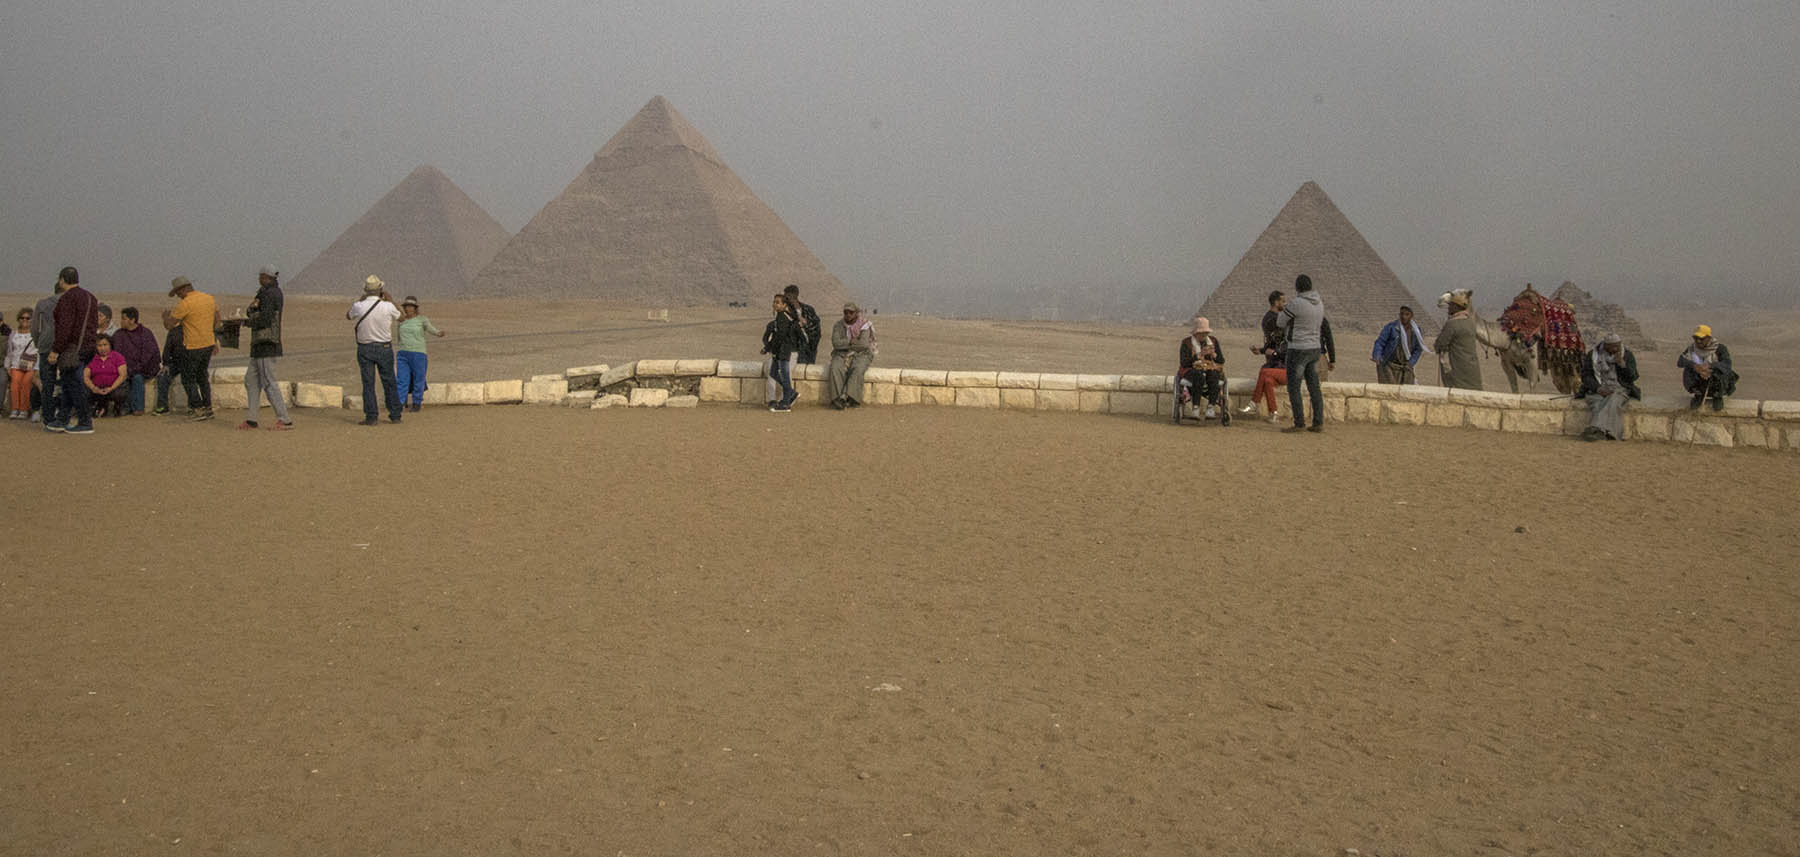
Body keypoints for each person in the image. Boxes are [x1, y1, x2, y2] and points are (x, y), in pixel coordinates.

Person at [47, 266, 101, 434]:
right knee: (69, 384)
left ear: (62, 280)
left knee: (74, 384)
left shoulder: (67, 299)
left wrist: (56, 350)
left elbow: (65, 327)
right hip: (88, 347)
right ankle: (62, 419)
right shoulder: (90, 297)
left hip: (73, 349)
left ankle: (85, 421)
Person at [240, 264, 292, 430]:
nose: (260, 279)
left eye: (262, 276)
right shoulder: (264, 293)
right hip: (258, 345)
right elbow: (252, 309)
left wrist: (247, 321)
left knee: (269, 382)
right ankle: (252, 419)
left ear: (267, 277)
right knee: (250, 381)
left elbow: (266, 318)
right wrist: (251, 313)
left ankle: (285, 419)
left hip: (267, 344)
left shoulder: (271, 294)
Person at [348, 275, 404, 425]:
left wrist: (360, 300)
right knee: (389, 381)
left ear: (366, 290)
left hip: (365, 349)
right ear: (381, 290)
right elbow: (402, 318)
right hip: (384, 348)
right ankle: (395, 414)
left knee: (368, 383)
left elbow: (348, 316)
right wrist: (391, 301)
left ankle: (371, 417)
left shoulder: (359, 306)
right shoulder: (388, 306)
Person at [162, 275, 219, 421]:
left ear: (182, 289)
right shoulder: (209, 298)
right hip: (208, 343)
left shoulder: (185, 304)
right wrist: (212, 336)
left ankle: (197, 409)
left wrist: (165, 317)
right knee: (202, 376)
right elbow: (217, 319)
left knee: (188, 378)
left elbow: (169, 325)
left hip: (193, 346)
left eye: (177, 293)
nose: (178, 296)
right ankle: (208, 408)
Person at [1279, 274, 1326, 433]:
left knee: (1294, 387)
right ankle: (1318, 422)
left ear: (1297, 287)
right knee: (1314, 387)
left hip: (1298, 349)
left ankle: (1299, 423)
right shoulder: (1320, 303)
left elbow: (1280, 322)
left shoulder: (1296, 303)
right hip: (1315, 348)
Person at [1576, 333, 1640, 441]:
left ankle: (1596, 429)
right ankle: (1608, 433)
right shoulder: (1593, 355)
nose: (1615, 349)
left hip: (1619, 389)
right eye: (1612, 346)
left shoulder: (1626, 355)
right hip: (1598, 389)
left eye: (1617, 346)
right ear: (1605, 345)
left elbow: (1633, 377)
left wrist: (1622, 364)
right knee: (1597, 403)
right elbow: (1586, 376)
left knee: (1613, 400)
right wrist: (1598, 389)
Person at [1241, 290, 1287, 422]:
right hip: (1279, 363)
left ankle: (1254, 403)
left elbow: (1276, 345)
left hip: (1285, 365)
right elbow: (1274, 343)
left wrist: (1264, 351)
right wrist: (1265, 351)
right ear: (1276, 302)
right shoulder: (1277, 320)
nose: (1285, 304)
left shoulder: (1270, 318)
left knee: (1264, 372)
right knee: (1267, 380)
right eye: (1283, 301)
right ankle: (1274, 414)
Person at [394, 296, 445, 412]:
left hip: (418, 353)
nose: (408, 309)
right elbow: (399, 336)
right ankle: (400, 403)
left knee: (419, 378)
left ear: (415, 308)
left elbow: (430, 329)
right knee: (402, 379)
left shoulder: (422, 320)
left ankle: (416, 403)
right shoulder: (401, 321)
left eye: (410, 306)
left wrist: (438, 333)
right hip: (403, 353)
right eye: (406, 306)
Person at [32, 272, 68, 427]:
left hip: (46, 344)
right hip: (66, 346)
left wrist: (38, 342)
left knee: (47, 383)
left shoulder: (42, 303)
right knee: (67, 381)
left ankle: (48, 418)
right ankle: (64, 415)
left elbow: (35, 327)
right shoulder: (70, 303)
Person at [111, 308, 160, 416]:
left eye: (124, 319)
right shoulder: (118, 334)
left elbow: (148, 355)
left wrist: (134, 369)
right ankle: (124, 408)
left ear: (132, 320)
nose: (121, 321)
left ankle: (138, 408)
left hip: (143, 369)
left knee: (137, 378)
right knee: (122, 379)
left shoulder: (145, 334)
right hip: (124, 369)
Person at [1178, 317, 1228, 423]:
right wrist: (1198, 356)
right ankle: (1195, 408)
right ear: (1195, 333)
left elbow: (1221, 360)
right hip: (1192, 370)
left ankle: (1211, 407)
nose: (1204, 336)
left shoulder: (1213, 341)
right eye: (1201, 333)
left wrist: (1214, 355)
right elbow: (1184, 363)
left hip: (1209, 369)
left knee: (1213, 374)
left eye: (1205, 333)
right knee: (1199, 375)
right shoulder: (1186, 343)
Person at [1677, 324, 1737, 412]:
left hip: (1715, 382)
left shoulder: (1720, 348)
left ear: (1709, 338)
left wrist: (1710, 366)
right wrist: (1695, 366)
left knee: (1722, 370)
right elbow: (1680, 361)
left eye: (1701, 338)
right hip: (1700, 381)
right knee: (1688, 368)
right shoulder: (1692, 349)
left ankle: (1718, 396)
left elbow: (1727, 364)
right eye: (1696, 338)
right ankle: (1699, 395)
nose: (1698, 341)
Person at [827, 302, 875, 409]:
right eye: (846, 312)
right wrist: (850, 341)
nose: (848, 315)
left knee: (857, 368)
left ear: (856, 313)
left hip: (862, 353)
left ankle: (851, 397)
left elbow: (863, 344)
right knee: (835, 367)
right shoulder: (838, 325)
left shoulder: (864, 325)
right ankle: (837, 398)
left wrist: (847, 344)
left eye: (851, 312)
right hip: (841, 353)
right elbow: (836, 343)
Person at [761, 293, 803, 412]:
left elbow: (780, 336)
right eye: (774, 302)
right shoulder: (781, 317)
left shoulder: (783, 318)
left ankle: (785, 403)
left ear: (785, 305)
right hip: (778, 351)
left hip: (784, 351)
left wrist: (769, 347)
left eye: (778, 302)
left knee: (784, 376)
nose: (775, 304)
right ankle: (791, 393)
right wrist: (768, 348)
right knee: (773, 373)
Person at [1434, 293, 1483, 391]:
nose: (1449, 308)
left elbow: (1440, 344)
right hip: (1472, 368)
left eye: (1451, 305)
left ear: (1456, 307)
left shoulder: (1452, 324)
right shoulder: (1470, 322)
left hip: (1458, 369)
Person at [1372, 306, 1425, 385]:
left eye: (1407, 314)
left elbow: (1418, 349)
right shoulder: (1391, 327)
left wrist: (1411, 363)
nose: (1404, 317)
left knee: (1406, 389)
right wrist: (1377, 355)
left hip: (1405, 366)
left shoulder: (1416, 331)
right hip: (1388, 365)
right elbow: (1380, 342)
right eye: (1402, 314)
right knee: (1389, 390)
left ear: (1411, 316)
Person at [83, 334, 130, 417]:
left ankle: (118, 406)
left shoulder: (118, 357)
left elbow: (122, 375)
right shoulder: (92, 358)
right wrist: (93, 388)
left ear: (110, 345)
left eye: (105, 345)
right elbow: (86, 377)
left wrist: (111, 388)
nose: (103, 348)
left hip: (114, 388)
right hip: (97, 388)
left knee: (119, 393)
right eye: (99, 345)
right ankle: (99, 407)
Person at [6, 308, 38, 419]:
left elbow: (39, 352)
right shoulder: (13, 334)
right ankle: (15, 409)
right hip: (16, 364)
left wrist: (37, 368)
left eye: (28, 318)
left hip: (31, 365)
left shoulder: (35, 334)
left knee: (26, 383)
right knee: (15, 384)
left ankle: (24, 409)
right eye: (22, 318)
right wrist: (8, 366)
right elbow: (10, 351)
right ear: (18, 319)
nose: (25, 320)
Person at [783, 284, 822, 365]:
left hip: (808, 349)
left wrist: (805, 323)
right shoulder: (785, 312)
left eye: (789, 296)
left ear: (795, 295)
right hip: (793, 350)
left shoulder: (808, 310)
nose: (787, 299)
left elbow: (816, 329)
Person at [152, 324, 184, 416]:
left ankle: (194, 406)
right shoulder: (174, 332)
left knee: (190, 379)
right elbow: (167, 349)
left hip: (190, 363)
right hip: (175, 363)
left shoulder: (194, 330)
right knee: (162, 377)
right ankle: (162, 407)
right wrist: (166, 364)